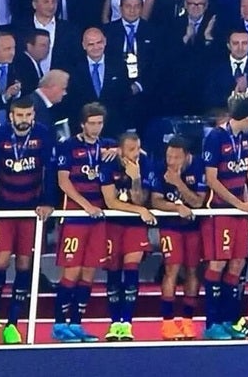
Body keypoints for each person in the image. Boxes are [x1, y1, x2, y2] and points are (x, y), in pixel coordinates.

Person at [201, 97, 248, 340]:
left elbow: (247, 173)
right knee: (218, 264)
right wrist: (240, 204)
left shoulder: (245, 138)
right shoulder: (215, 137)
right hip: (220, 211)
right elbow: (212, 180)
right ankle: (212, 323)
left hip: (239, 212)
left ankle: (230, 320)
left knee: (237, 264)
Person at [0, 96, 55, 344]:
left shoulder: (44, 135)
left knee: (25, 265)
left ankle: (13, 324)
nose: (24, 120)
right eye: (20, 115)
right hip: (5, 209)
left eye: (28, 115)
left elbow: (49, 171)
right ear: (11, 116)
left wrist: (48, 201)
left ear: (33, 115)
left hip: (30, 210)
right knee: (2, 260)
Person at [54, 102, 114, 342]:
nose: (96, 128)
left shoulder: (106, 146)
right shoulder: (68, 146)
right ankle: (59, 324)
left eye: (100, 123)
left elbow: (130, 150)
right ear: (82, 124)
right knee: (72, 271)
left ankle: (77, 325)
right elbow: (63, 182)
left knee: (89, 272)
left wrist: (119, 150)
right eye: (92, 123)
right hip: (76, 217)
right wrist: (85, 205)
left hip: (97, 219)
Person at [100, 132, 156, 341]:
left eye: (137, 148)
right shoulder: (108, 164)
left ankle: (127, 323)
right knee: (113, 274)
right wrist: (138, 210)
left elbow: (141, 200)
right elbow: (110, 202)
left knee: (131, 270)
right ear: (120, 150)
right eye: (131, 150)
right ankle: (114, 323)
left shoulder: (146, 163)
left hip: (134, 227)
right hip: (112, 226)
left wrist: (136, 178)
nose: (135, 154)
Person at [150, 136, 206, 340]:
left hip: (193, 227)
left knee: (192, 271)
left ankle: (188, 322)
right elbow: (155, 201)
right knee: (171, 269)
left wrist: (178, 183)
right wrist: (176, 207)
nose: (171, 161)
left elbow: (198, 202)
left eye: (176, 157)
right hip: (170, 227)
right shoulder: (159, 167)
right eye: (169, 156)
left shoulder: (199, 165)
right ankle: (167, 323)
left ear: (187, 156)